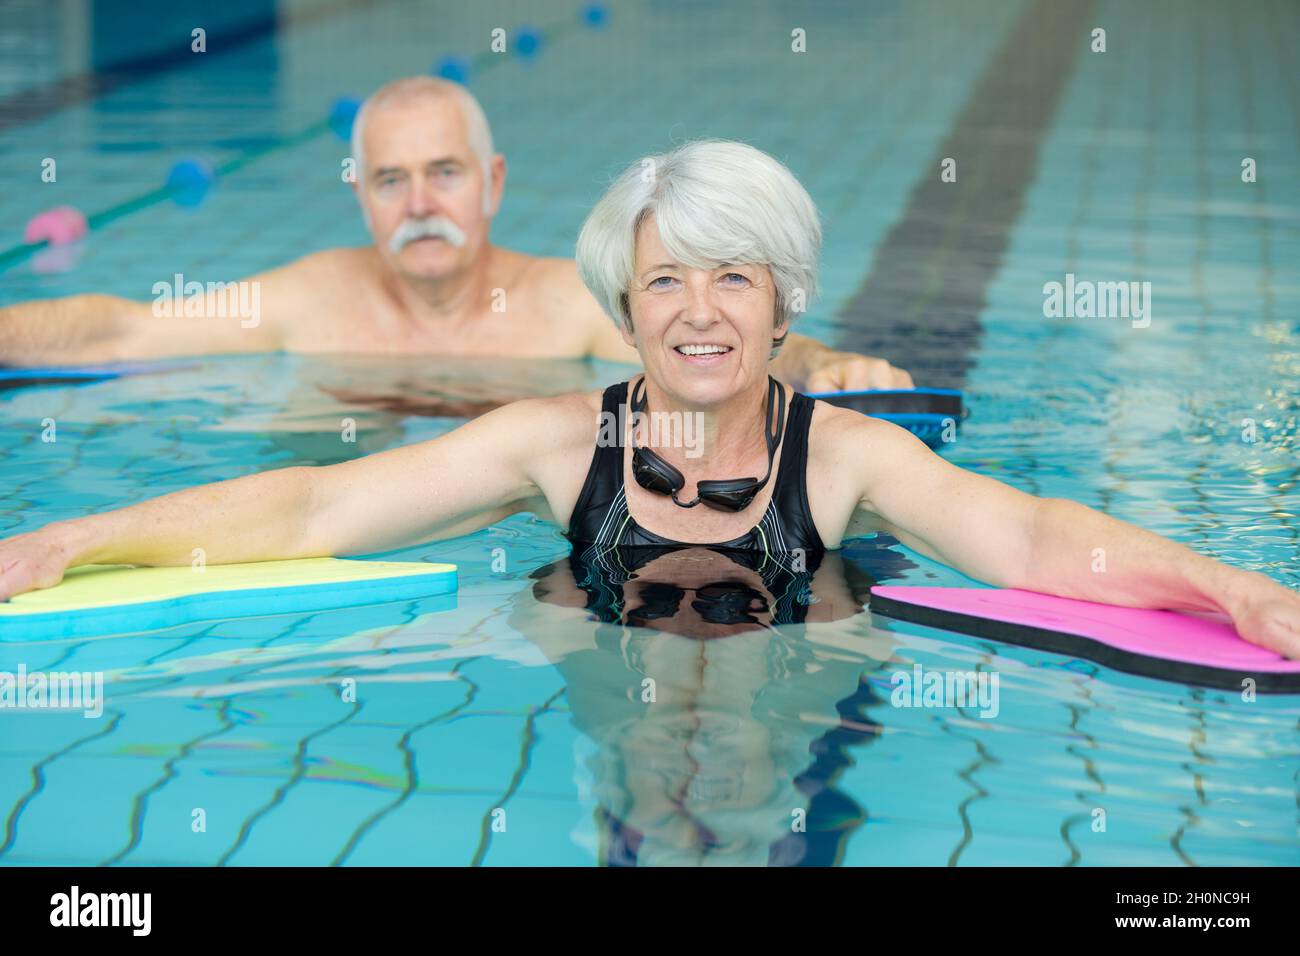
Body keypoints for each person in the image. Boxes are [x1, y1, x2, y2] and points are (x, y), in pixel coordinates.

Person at [2, 140, 1297, 661]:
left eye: (731, 279)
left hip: (799, 698)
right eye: (663, 280)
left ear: (784, 308)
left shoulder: (842, 460)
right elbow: (310, 507)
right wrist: (66, 540)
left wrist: (1234, 590)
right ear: (623, 312)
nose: (696, 310)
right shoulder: (560, 444)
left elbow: (1028, 537)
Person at [0, 77, 910, 394]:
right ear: (360, 194)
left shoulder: (565, 306)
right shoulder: (309, 297)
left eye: (445, 173)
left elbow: (720, 342)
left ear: (493, 182)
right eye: (391, 181)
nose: (419, 204)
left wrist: (827, 368)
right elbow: (120, 331)